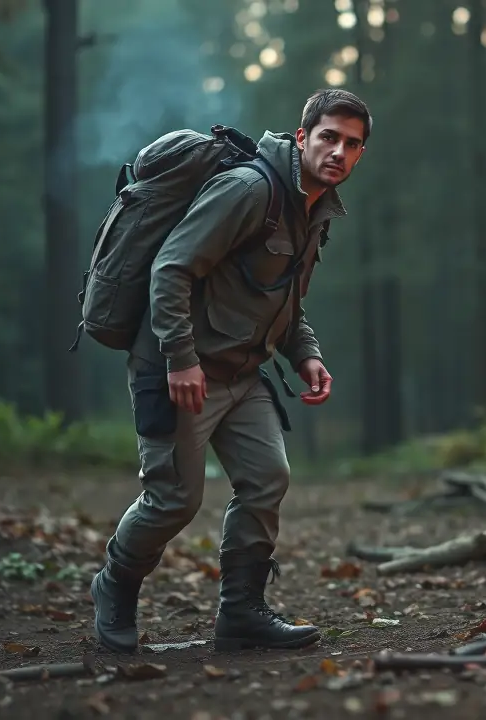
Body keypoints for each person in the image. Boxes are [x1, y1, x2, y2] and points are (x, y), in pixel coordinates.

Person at [90, 88, 371, 653]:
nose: (339, 152)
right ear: (303, 137)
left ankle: (241, 613)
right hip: (176, 368)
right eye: (329, 137)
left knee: (267, 478)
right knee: (173, 500)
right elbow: (171, 268)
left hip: (243, 373)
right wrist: (180, 359)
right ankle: (114, 585)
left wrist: (306, 354)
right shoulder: (248, 189)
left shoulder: (314, 208)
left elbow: (283, 299)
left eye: (352, 144)